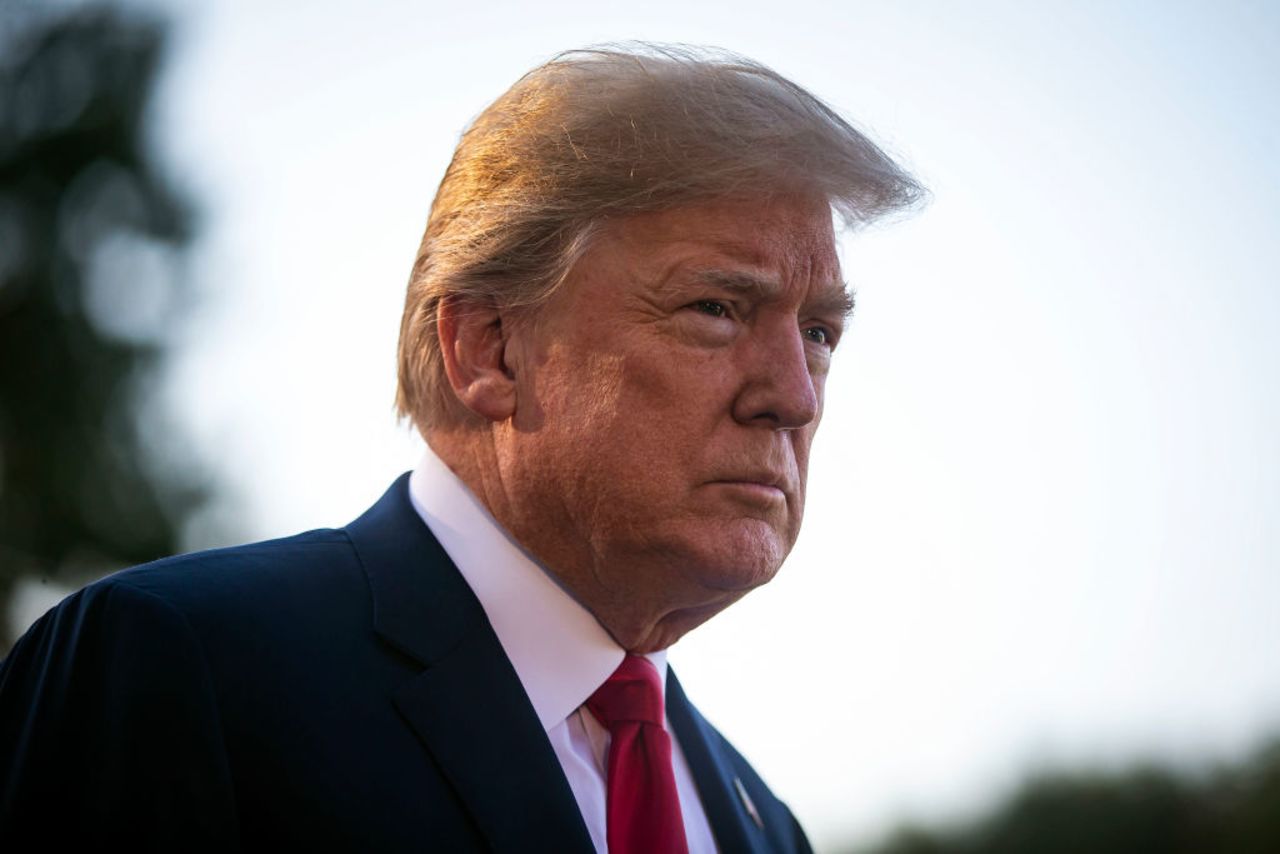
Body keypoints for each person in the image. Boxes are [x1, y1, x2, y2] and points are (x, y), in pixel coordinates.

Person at [0, 44, 921, 852]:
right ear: (489, 347)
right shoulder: (178, 670)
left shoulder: (764, 823)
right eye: (716, 308)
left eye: (820, 334)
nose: (793, 398)